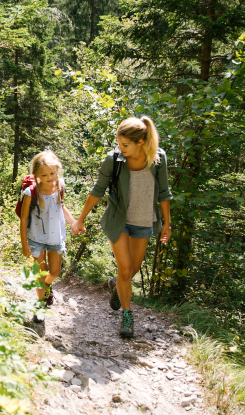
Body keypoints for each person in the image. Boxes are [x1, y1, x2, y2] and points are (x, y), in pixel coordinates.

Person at [71, 116, 172, 337]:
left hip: (144, 221)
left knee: (131, 272)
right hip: (118, 221)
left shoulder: (158, 159)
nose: (120, 148)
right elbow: (97, 190)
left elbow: (164, 193)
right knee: (125, 270)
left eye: (125, 145)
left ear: (141, 142)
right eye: (119, 143)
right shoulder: (114, 160)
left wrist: (167, 224)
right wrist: (80, 219)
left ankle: (116, 286)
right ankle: (127, 316)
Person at [20, 150, 77, 321]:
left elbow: (61, 206)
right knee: (40, 274)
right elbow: (23, 219)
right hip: (36, 238)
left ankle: (46, 286)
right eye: (44, 175)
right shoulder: (31, 192)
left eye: (52, 173)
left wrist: (74, 222)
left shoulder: (60, 185)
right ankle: (40, 305)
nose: (50, 177)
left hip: (55, 237)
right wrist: (24, 244)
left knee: (54, 273)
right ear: (36, 174)